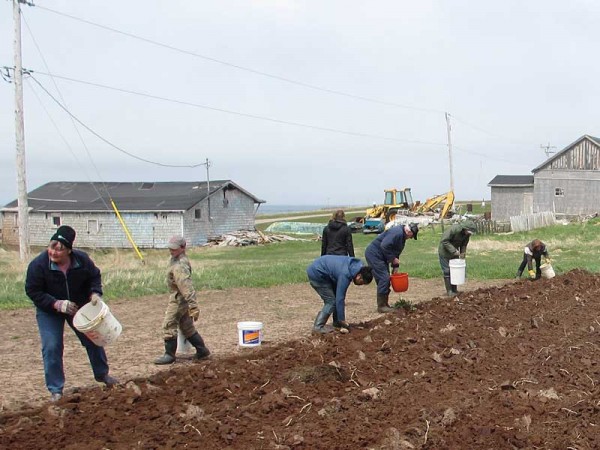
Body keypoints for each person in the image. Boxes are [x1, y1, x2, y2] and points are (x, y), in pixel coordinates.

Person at [25, 225, 118, 402]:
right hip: (50, 310)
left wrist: (95, 293)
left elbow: (94, 276)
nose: (54, 252)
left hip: (78, 307)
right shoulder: (38, 265)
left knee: (93, 338)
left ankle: (102, 375)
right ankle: (56, 389)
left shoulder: (81, 260)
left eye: (60, 249)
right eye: (52, 247)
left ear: (69, 250)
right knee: (52, 346)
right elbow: (33, 291)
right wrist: (56, 303)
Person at [154, 235, 211, 365]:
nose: (171, 251)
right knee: (186, 326)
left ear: (182, 248)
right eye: (170, 248)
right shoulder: (176, 259)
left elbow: (186, 286)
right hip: (180, 297)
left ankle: (169, 355)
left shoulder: (180, 265)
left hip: (179, 298)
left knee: (169, 324)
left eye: (174, 249)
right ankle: (202, 350)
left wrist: (193, 305)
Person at [306, 255, 373, 333]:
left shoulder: (358, 266)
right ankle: (318, 327)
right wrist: (342, 320)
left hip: (326, 271)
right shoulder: (345, 274)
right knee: (331, 301)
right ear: (359, 276)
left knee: (335, 296)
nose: (360, 285)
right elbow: (340, 298)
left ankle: (337, 322)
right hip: (317, 273)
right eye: (362, 283)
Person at [364, 223, 419, 313]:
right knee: (384, 278)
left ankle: (385, 304)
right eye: (412, 236)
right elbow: (384, 245)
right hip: (374, 255)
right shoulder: (397, 233)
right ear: (409, 232)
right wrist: (392, 259)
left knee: (385, 278)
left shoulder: (402, 237)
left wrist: (395, 267)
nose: (411, 238)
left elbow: (396, 252)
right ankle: (381, 306)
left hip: (381, 257)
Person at [438, 220, 477, 296]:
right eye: (469, 231)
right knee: (447, 271)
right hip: (444, 252)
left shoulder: (467, 235)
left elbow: (464, 245)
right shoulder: (453, 229)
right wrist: (453, 251)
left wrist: (463, 254)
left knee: (454, 271)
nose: (469, 233)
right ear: (465, 228)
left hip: (455, 253)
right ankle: (449, 291)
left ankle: (454, 290)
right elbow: (444, 241)